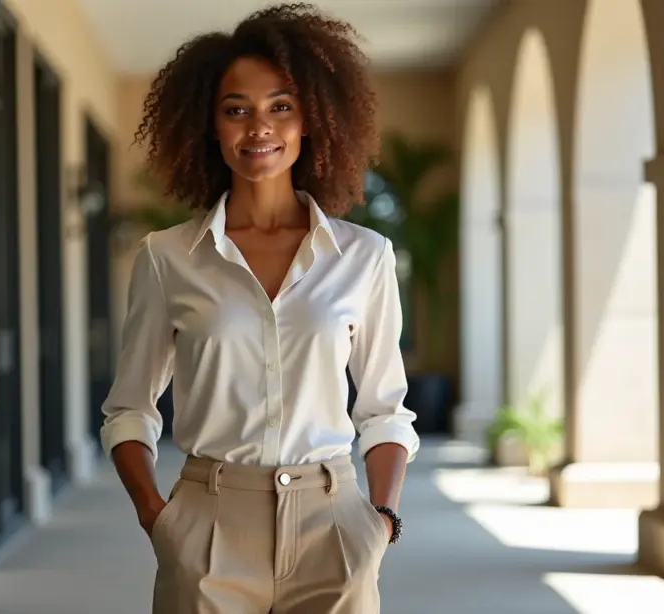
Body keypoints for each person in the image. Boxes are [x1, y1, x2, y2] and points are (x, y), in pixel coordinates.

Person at [100, 4, 420, 613]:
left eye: (280, 106)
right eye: (236, 109)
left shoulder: (364, 256)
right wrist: (158, 520)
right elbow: (129, 409)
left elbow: (384, 409)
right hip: (208, 526)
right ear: (210, 125)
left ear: (311, 119)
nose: (259, 128)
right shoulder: (168, 257)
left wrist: (380, 522)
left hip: (333, 525)